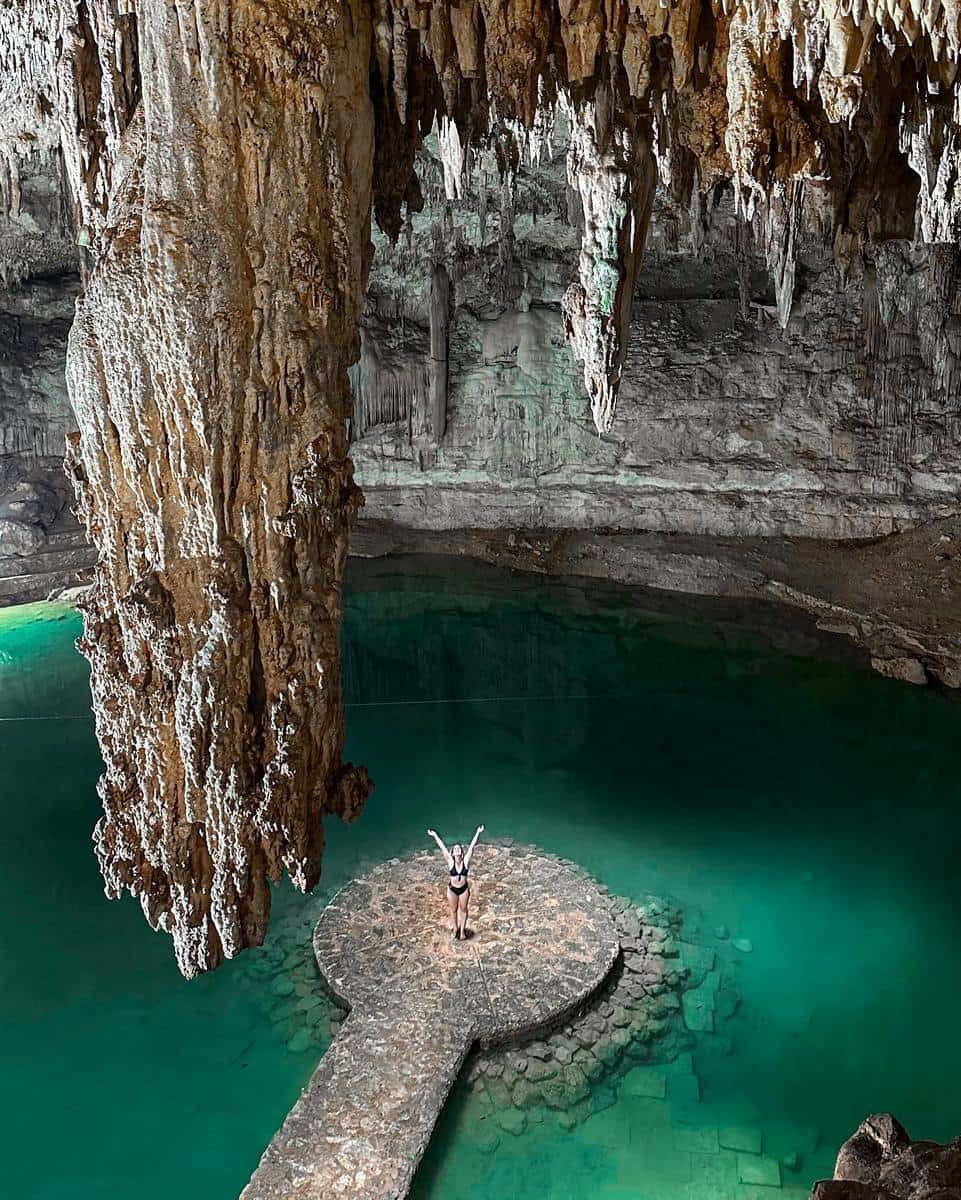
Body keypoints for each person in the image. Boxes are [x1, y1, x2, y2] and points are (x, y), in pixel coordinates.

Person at [427, 824, 485, 940]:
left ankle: (462, 930)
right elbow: (442, 847)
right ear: (452, 853)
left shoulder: (466, 861)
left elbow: (472, 846)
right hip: (452, 890)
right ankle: (455, 928)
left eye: (459, 848)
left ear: (461, 853)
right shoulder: (450, 862)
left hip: (464, 890)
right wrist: (435, 835)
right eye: (455, 849)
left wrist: (478, 832)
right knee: (453, 910)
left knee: (463, 910)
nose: (457, 849)